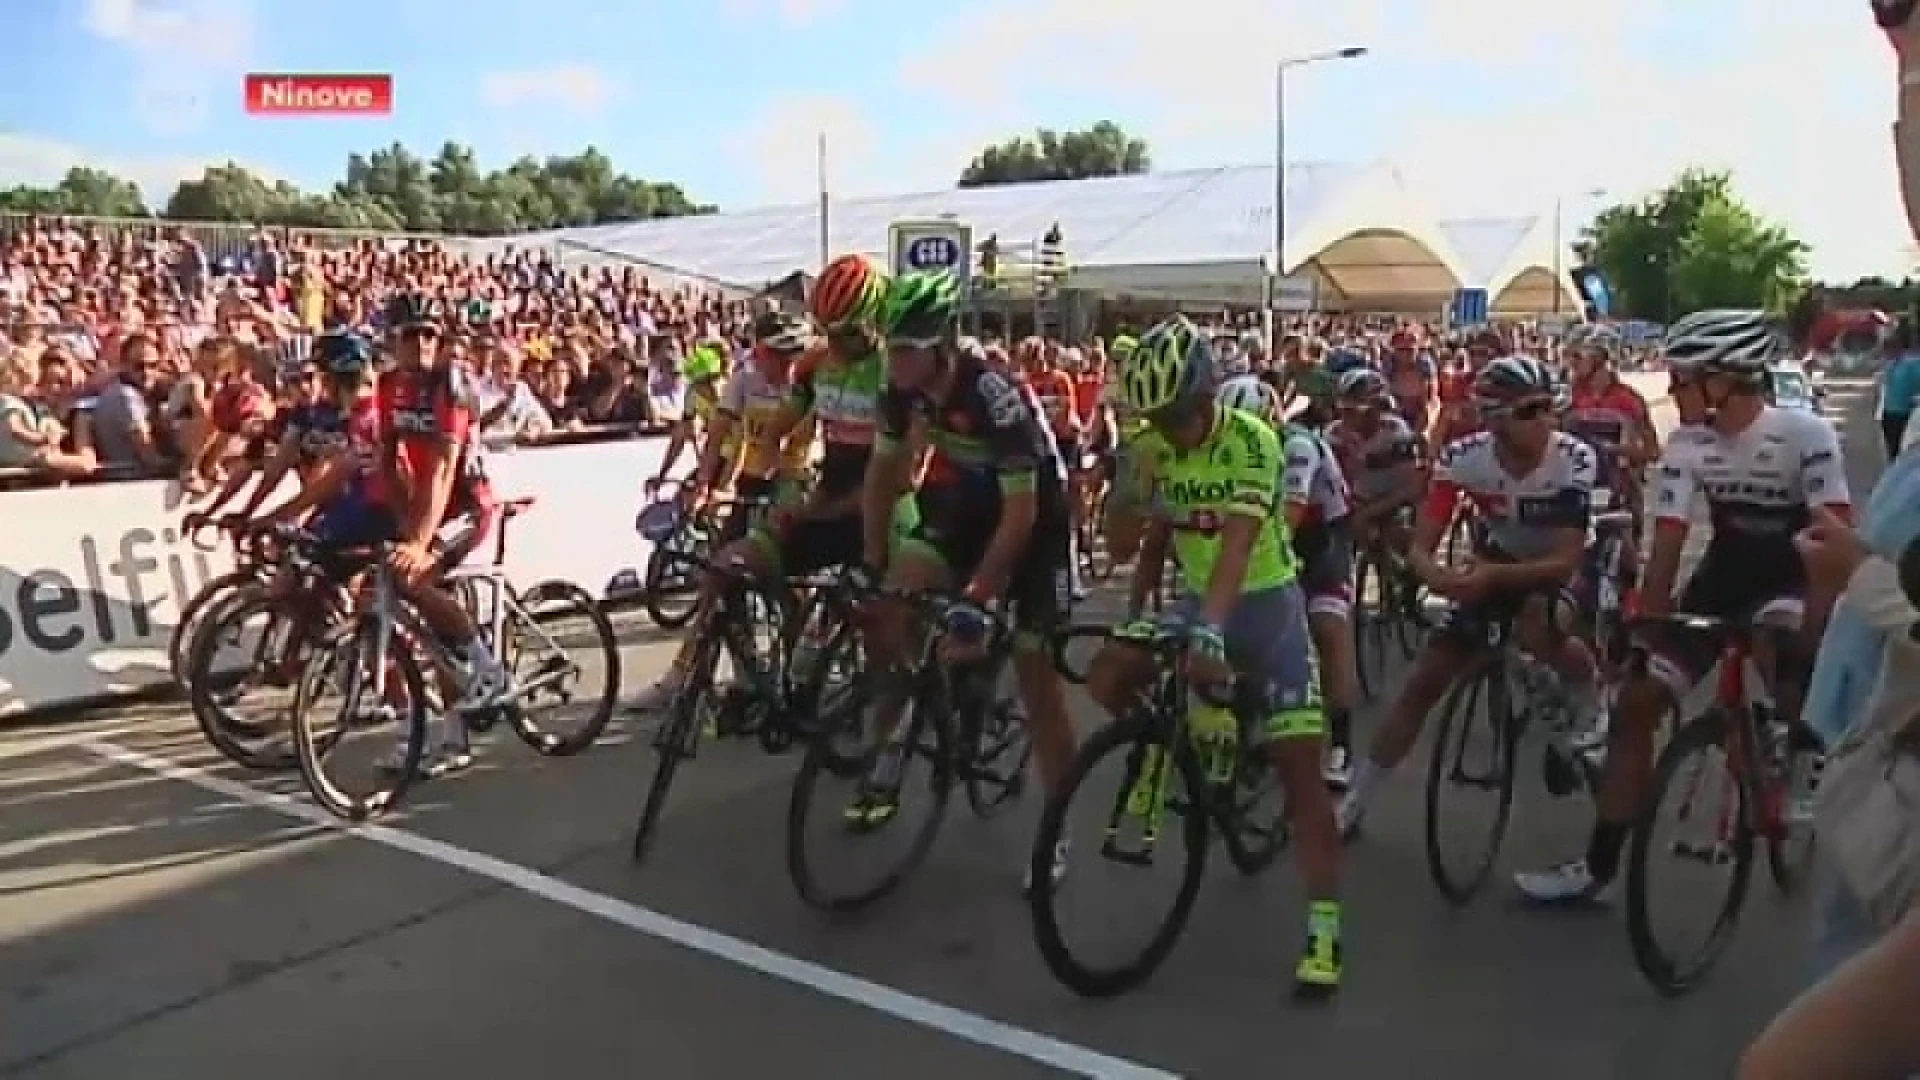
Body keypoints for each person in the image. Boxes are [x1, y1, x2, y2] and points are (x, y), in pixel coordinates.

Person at [1516, 310, 1851, 903]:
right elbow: (1667, 542)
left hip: (1793, 574)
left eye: (1684, 378)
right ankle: (1599, 868)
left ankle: (1797, 748)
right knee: (1637, 704)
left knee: (1783, 646)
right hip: (1723, 575)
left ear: (1725, 379)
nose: (1671, 390)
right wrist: (1644, 626)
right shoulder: (1688, 444)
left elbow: (1834, 543)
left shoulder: (1806, 436)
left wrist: (1816, 628)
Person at [1087, 317, 1345, 994]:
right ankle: (1197, 737)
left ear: (1204, 397)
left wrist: (1206, 635)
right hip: (1200, 598)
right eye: (1155, 417)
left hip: (1265, 605)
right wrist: (1127, 485)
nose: (1168, 428)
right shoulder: (1152, 448)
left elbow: (1235, 547)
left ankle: (1323, 922)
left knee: (1301, 774)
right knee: (1106, 673)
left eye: (1176, 414)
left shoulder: (1253, 441)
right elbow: (1120, 545)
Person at [851, 270, 1077, 890]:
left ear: (941, 348)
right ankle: (893, 746)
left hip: (1033, 521)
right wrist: (873, 562)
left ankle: (1057, 825)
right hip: (962, 505)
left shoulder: (992, 395)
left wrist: (979, 596)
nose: (892, 360)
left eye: (905, 349)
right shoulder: (897, 390)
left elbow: (1022, 516)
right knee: (895, 599)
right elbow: (882, 475)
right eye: (888, 347)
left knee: (1037, 672)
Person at [1337, 356, 1601, 837]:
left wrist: (1486, 576)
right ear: (1495, 420)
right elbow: (1423, 540)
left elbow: (1565, 560)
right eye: (1529, 411)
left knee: (1539, 625)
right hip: (1496, 561)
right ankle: (1357, 798)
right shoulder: (1465, 458)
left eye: (1548, 408)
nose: (1544, 420)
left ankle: (1589, 698)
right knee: (1424, 683)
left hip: (1558, 568)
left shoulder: (1573, 459)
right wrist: (1434, 575)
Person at [1219, 374, 1361, 789]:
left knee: (1327, 629)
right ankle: (1245, 727)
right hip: (1268, 533)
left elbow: (1291, 516)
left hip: (1323, 539)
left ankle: (1341, 745)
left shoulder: (1298, 446)